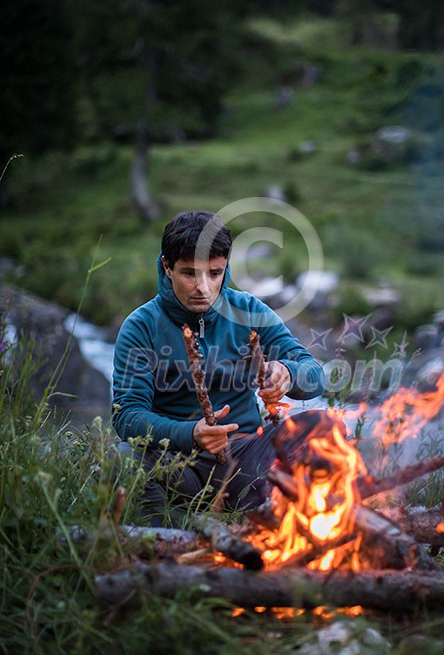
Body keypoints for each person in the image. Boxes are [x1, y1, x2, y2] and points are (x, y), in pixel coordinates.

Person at [112, 210, 324, 520]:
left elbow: (315, 375)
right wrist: (191, 433)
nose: (204, 288)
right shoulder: (141, 326)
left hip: (245, 461)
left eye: (214, 273)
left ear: (225, 267)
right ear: (167, 267)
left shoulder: (249, 310)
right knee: (125, 457)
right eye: (189, 273)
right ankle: (170, 536)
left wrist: (288, 374)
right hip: (178, 463)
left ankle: (276, 519)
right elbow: (127, 416)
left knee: (323, 427)